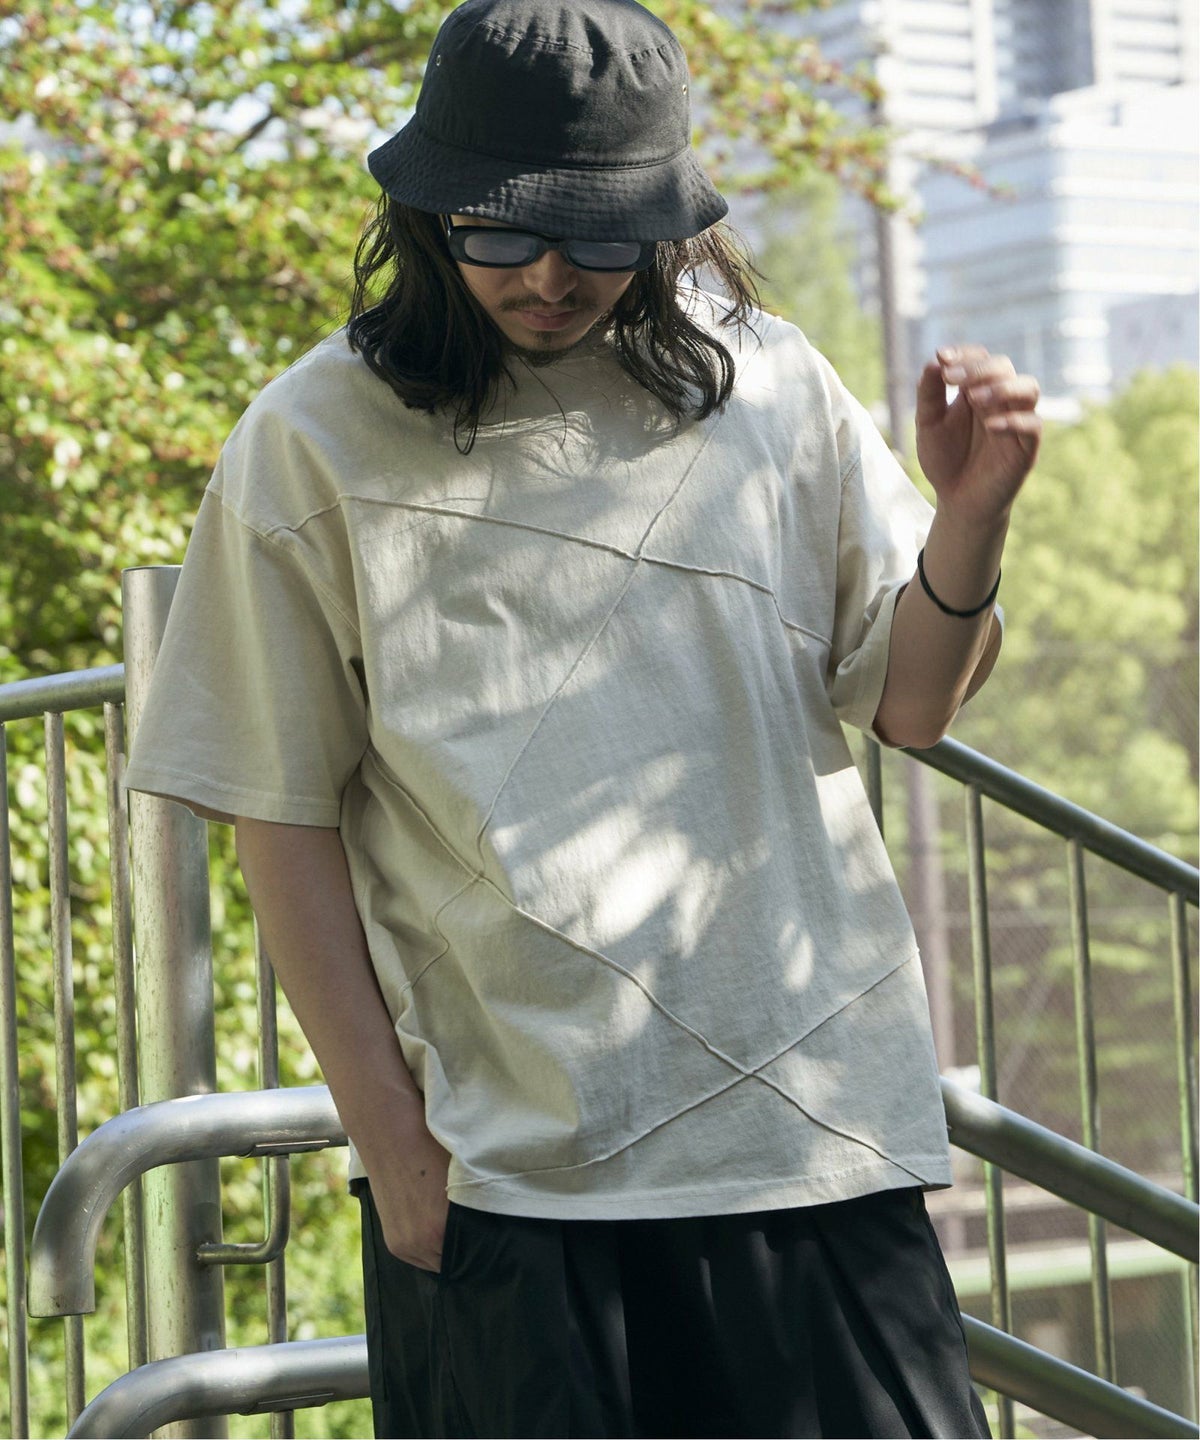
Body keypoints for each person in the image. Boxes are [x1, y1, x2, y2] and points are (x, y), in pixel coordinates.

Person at [124, 0, 1041, 1434]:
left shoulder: (772, 385)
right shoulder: (312, 439)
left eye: (600, 235)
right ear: (426, 210)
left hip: (816, 1134)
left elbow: (911, 707)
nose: (549, 275)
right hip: (513, 1178)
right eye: (500, 231)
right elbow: (278, 815)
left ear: (666, 222)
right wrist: (394, 1149)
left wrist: (971, 520)